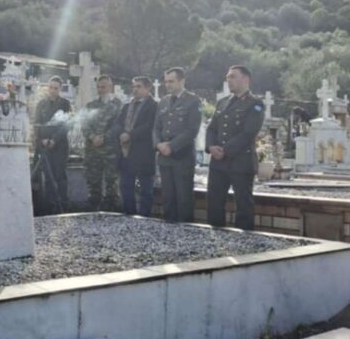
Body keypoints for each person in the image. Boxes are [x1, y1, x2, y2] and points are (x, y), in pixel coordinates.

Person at [206, 65, 265, 230]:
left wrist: (224, 150)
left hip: (241, 162)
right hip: (218, 163)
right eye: (227, 77)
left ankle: (244, 238)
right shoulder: (223, 102)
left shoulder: (255, 104)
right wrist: (211, 147)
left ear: (245, 79)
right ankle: (216, 235)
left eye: (233, 77)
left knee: (243, 204)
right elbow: (212, 128)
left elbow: (248, 132)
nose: (229, 80)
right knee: (214, 202)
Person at [153, 67, 203, 223]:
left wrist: (171, 146)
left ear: (182, 81)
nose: (167, 85)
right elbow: (156, 127)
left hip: (182, 156)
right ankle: (169, 228)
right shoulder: (164, 101)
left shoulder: (193, 101)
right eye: (166, 81)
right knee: (168, 197)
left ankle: (185, 229)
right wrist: (158, 144)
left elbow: (192, 129)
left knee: (183, 198)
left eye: (171, 81)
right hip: (164, 157)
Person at [112, 77, 158, 216]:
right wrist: (121, 133)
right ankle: (129, 215)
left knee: (145, 189)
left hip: (143, 153)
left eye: (139, 86)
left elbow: (150, 125)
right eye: (134, 86)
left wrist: (130, 135)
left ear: (148, 88)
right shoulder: (127, 106)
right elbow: (118, 123)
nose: (135, 89)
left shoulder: (153, 106)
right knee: (125, 187)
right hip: (126, 152)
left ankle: (144, 218)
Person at [83, 75, 122, 211]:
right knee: (93, 183)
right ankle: (93, 210)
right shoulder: (91, 105)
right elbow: (84, 124)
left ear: (110, 87)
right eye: (98, 87)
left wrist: (104, 138)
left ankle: (111, 211)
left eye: (103, 87)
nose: (100, 90)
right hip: (92, 150)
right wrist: (93, 137)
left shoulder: (118, 105)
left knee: (112, 183)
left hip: (110, 151)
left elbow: (118, 126)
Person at [33, 76, 72, 211]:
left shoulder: (65, 104)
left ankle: (63, 207)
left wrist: (54, 139)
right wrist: (41, 140)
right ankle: (50, 208)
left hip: (60, 146)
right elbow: (36, 124)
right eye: (50, 87)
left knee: (60, 177)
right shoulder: (41, 104)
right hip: (45, 147)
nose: (52, 90)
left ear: (60, 89)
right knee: (48, 179)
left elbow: (66, 125)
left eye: (56, 88)